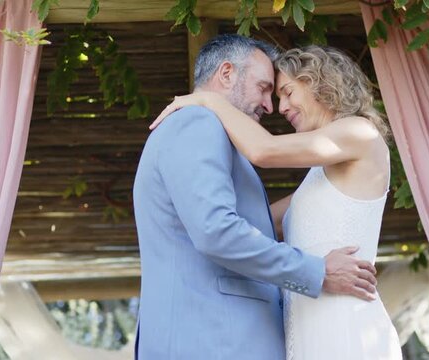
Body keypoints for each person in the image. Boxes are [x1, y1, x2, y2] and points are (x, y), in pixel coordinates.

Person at [133, 35, 378, 359]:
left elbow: (258, 223)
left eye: (283, 92)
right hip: (212, 342)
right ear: (226, 74)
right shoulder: (196, 122)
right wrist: (316, 272)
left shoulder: (350, 143)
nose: (271, 105)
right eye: (264, 88)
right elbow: (217, 231)